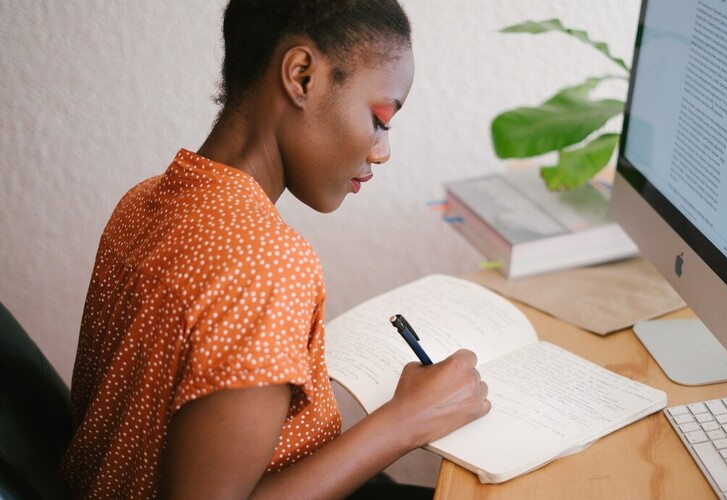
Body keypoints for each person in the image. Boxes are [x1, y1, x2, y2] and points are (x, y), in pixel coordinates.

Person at [59, 1, 491, 498]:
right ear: (302, 76)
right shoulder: (267, 264)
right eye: (380, 120)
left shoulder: (142, 201)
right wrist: (406, 422)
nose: (382, 151)